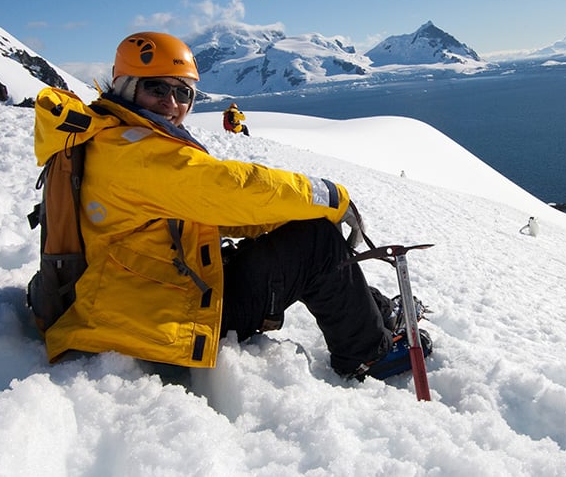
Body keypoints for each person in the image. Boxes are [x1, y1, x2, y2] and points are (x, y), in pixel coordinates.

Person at [32, 31, 430, 380]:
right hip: (159, 316)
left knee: (293, 234)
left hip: (140, 293)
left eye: (183, 92)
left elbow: (206, 207)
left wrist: (275, 220)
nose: (172, 102)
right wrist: (326, 196)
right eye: (157, 88)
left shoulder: (114, 137)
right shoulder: (139, 153)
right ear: (126, 86)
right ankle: (368, 356)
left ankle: (371, 315)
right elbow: (228, 188)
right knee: (314, 243)